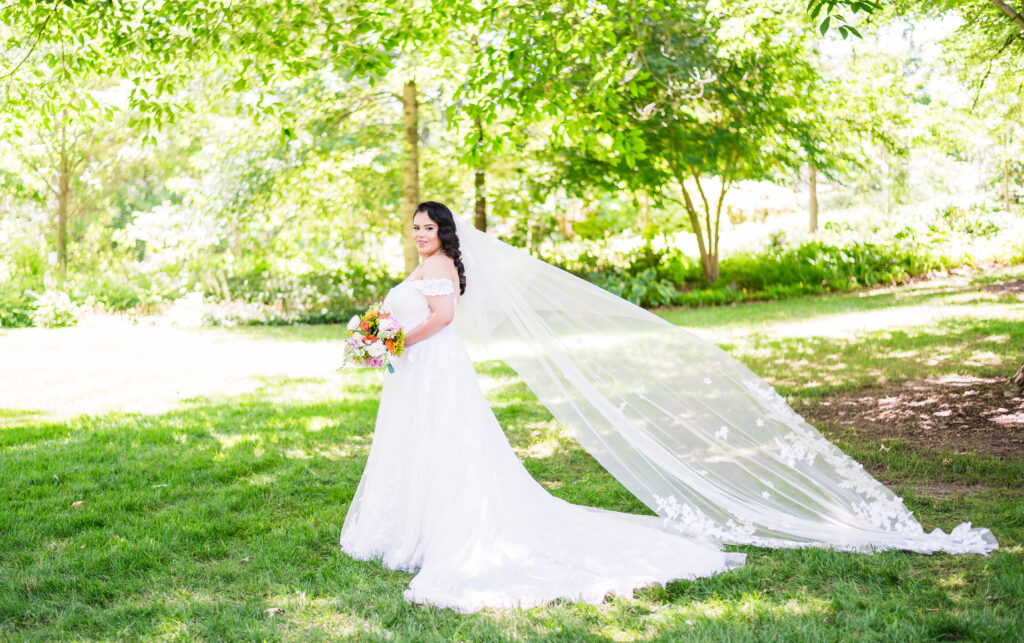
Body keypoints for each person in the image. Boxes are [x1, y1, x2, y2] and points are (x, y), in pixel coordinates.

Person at [340, 201, 996, 613]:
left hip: (434, 367)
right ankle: (410, 527)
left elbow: (445, 318)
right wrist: (384, 340)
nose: (422, 234)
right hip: (416, 374)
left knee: (451, 452)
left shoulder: (445, 271)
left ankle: (448, 532)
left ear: (444, 232)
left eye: (429, 228)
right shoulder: (420, 265)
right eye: (417, 228)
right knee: (416, 449)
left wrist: (392, 337)